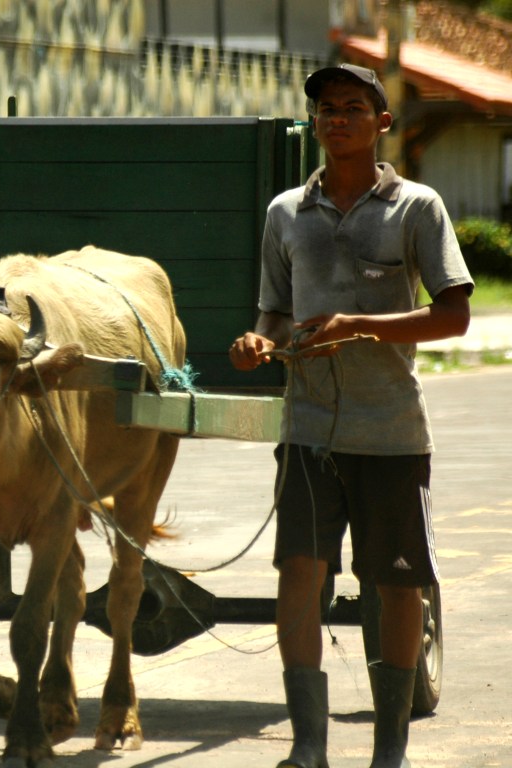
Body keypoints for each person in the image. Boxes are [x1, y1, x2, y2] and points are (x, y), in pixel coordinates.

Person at [228, 64, 473, 768]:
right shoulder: (284, 213)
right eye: (325, 109)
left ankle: (389, 750)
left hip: (391, 430)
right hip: (306, 427)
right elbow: (273, 312)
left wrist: (359, 328)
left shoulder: (418, 207)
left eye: (353, 108)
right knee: (300, 571)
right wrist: (258, 342)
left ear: (382, 122)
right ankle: (308, 746)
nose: (336, 119)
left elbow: (453, 317)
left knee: (396, 582)